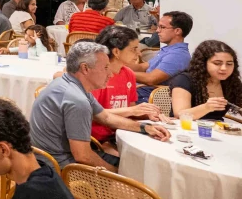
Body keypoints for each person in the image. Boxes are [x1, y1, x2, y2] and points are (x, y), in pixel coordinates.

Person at [31, 41, 170, 172]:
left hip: (47, 158)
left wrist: (145, 128)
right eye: (105, 68)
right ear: (85, 68)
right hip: (60, 167)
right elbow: (83, 156)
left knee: (130, 165)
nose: (110, 74)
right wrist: (117, 174)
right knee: (135, 171)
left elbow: (106, 117)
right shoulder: (77, 100)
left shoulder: (67, 83)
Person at [89, 26, 160, 155]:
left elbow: (130, 110)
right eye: (134, 49)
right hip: (96, 140)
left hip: (122, 133)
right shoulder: (96, 76)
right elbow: (91, 115)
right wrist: (132, 110)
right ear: (116, 52)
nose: (139, 53)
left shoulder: (128, 74)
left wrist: (147, 113)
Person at [169, 39, 242, 122]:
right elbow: (180, 114)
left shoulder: (231, 82)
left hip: (217, 128)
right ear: (203, 63)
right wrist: (206, 107)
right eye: (217, 63)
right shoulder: (184, 79)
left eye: (229, 64)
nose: (224, 68)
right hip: (186, 128)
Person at [132, 11, 193, 103]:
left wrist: (125, 73)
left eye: (162, 27)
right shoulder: (168, 50)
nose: (157, 30)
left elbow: (150, 79)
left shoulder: (178, 55)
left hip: (148, 97)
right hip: (139, 90)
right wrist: (117, 66)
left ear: (177, 31)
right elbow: (142, 67)